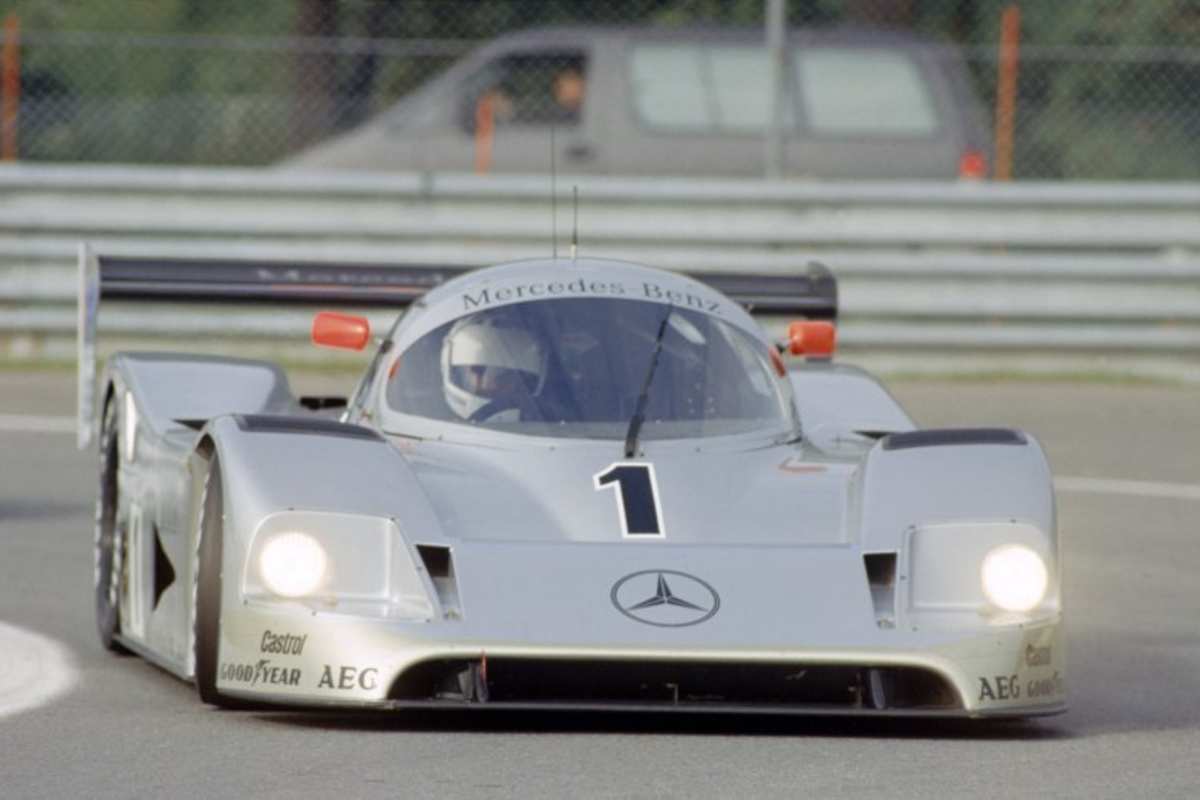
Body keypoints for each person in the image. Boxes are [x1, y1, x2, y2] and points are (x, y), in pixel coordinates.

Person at [440, 314, 548, 422]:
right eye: (475, 370)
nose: (483, 382)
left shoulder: (545, 432)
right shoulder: (429, 426)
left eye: (502, 375)